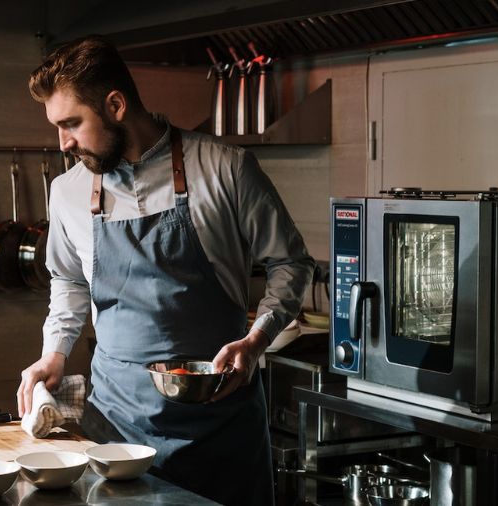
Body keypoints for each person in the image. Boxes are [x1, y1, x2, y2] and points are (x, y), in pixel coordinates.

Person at [17, 35, 314, 506]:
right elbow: (69, 280)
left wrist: (257, 339)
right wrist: (55, 352)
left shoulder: (226, 168)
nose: (63, 142)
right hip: (116, 423)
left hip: (220, 427)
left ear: (115, 105)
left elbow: (291, 263)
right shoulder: (67, 191)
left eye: (72, 123)